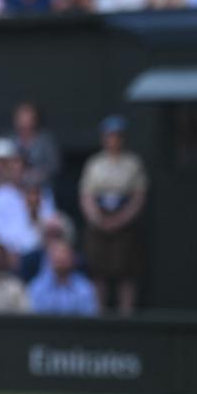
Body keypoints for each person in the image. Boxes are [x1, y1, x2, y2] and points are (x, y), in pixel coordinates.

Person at [79, 115, 147, 314]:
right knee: (98, 270)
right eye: (110, 136)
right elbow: (86, 196)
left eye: (117, 136)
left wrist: (121, 219)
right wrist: (97, 219)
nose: (113, 140)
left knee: (126, 271)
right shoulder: (94, 164)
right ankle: (99, 313)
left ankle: (126, 314)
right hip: (99, 222)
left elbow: (138, 197)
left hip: (125, 224)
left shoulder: (133, 163)